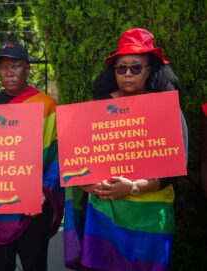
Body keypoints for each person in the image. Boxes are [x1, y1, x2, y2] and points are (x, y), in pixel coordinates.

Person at [63, 28, 188, 271]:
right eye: (122, 68)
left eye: (136, 67)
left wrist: (132, 187)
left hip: (150, 219)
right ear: (114, 71)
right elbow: (73, 159)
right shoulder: (94, 107)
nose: (128, 74)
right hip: (103, 217)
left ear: (150, 69)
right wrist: (87, 185)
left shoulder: (166, 108)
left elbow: (177, 166)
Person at [0, 43, 64, 271]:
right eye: (3, 67)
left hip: (35, 205)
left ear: (28, 69)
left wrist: (42, 190)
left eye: (16, 65)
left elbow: (57, 156)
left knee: (35, 265)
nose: (9, 72)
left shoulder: (46, 106)